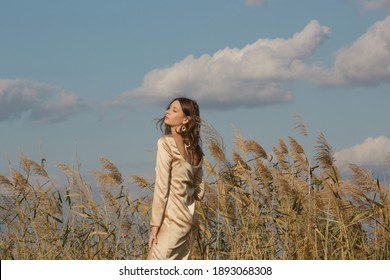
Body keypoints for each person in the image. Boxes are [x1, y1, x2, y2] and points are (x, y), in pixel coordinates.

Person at [147, 97, 205, 260]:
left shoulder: (166, 143)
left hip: (171, 222)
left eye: (174, 110)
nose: (168, 112)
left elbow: (161, 187)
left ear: (186, 119)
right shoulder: (196, 150)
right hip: (189, 221)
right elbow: (200, 192)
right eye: (168, 108)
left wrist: (155, 225)